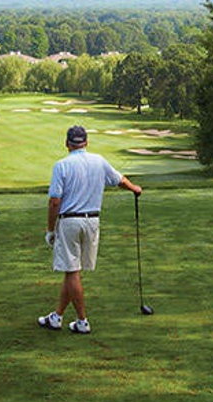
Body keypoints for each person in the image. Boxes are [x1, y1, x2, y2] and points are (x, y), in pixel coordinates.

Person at [38, 125, 142, 334]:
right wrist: (135, 189)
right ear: (86, 142)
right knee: (72, 272)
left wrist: (50, 229)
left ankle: (82, 321)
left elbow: (54, 202)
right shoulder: (99, 161)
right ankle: (57, 316)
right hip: (92, 222)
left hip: (70, 222)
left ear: (67, 143)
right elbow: (119, 180)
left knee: (72, 270)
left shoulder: (62, 165)